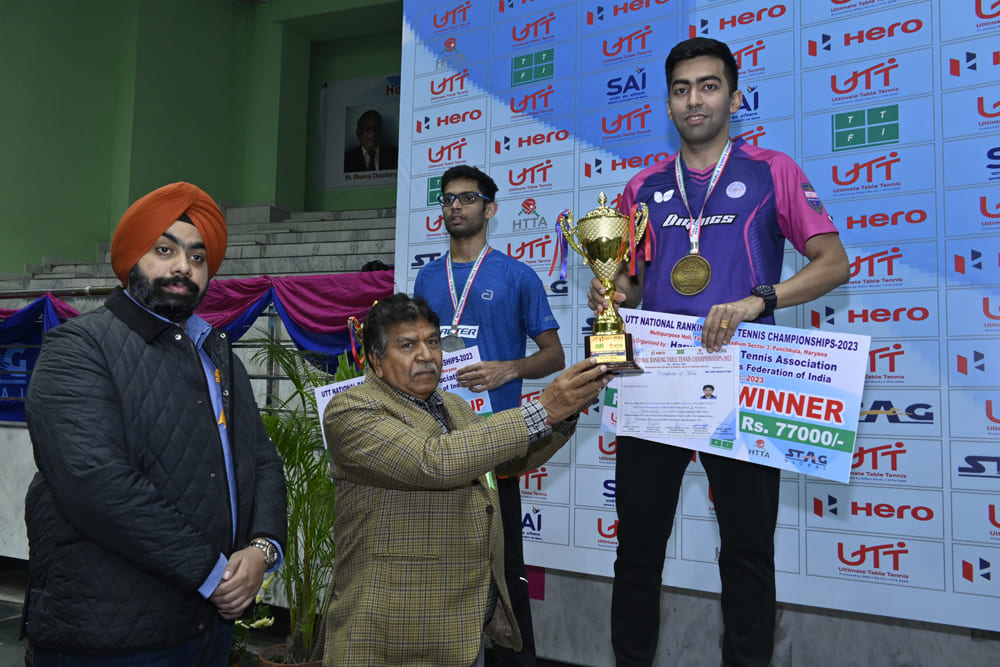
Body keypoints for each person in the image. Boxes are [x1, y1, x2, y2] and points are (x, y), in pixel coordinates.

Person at [589, 38, 850, 667]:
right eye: (681, 89)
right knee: (637, 551)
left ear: (733, 98)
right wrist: (611, 293)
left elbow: (834, 263)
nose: (694, 100)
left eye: (708, 86)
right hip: (656, 382)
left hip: (744, 378)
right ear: (668, 104)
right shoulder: (642, 187)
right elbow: (630, 284)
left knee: (747, 552)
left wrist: (761, 300)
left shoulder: (771, 171)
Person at [22, 182, 288, 666]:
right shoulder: (79, 347)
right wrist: (212, 574)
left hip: (206, 630)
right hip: (109, 636)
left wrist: (262, 548)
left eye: (197, 256)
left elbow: (261, 459)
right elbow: (95, 482)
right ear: (131, 259)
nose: (183, 266)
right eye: (164, 250)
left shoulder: (217, 355)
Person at [322, 294, 609, 667]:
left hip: (462, 624)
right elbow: (435, 462)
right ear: (376, 359)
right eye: (407, 345)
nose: (426, 355)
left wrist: (565, 413)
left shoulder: (452, 405)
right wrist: (543, 409)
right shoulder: (351, 409)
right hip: (391, 629)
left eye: (433, 341)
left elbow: (507, 460)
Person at [414, 164, 564, 666]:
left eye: (467, 198)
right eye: (448, 199)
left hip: (496, 440)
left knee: (505, 566)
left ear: (490, 208)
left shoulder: (517, 275)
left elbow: (555, 355)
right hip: (436, 443)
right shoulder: (427, 277)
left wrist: (510, 369)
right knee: (437, 564)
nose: (455, 206)